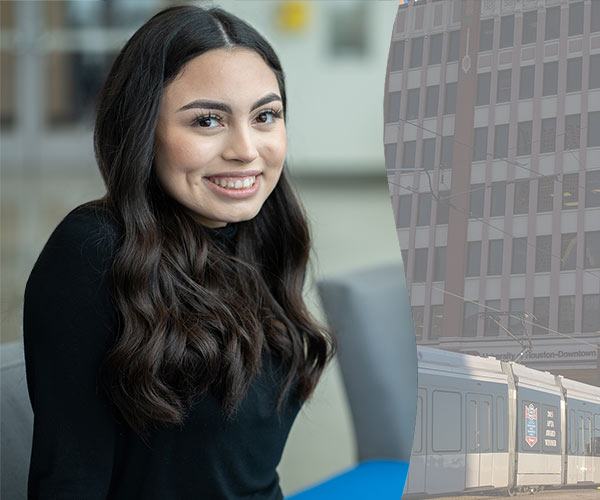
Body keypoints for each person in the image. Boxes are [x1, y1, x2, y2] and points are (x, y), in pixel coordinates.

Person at [23, 5, 335, 499]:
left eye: (265, 116)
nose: (246, 149)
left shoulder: (265, 232)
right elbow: (69, 481)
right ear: (142, 128)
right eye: (208, 120)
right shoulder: (95, 251)